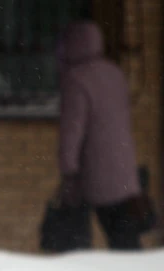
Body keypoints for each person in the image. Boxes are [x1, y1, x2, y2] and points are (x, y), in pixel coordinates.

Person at [57, 20, 145, 250]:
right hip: (125, 172)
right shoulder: (115, 73)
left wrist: (69, 171)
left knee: (78, 238)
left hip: (96, 173)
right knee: (126, 240)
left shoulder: (77, 79)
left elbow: (72, 131)